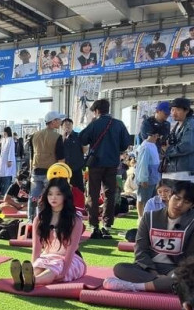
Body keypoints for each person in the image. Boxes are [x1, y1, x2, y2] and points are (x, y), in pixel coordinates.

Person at [104, 181, 194, 293]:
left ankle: (134, 286)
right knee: (120, 268)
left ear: (191, 205)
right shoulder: (149, 217)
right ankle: (165, 285)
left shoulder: (191, 222)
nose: (179, 204)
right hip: (147, 267)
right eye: (177, 198)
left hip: (175, 268)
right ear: (169, 196)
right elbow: (140, 249)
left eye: (186, 202)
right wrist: (154, 273)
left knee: (186, 278)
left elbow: (190, 257)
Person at [16, 179, 86, 291]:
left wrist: (64, 272)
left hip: (71, 260)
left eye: (58, 194)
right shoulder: (39, 219)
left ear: (65, 196)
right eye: (50, 194)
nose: (53, 197)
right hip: (48, 256)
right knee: (39, 266)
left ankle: (32, 281)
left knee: (54, 268)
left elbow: (71, 249)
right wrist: (34, 264)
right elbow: (36, 247)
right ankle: (25, 279)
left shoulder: (75, 220)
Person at [79, 99, 131, 239]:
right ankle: (107, 226)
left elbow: (82, 139)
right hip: (112, 164)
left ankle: (94, 225)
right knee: (110, 194)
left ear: (96, 111)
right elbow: (125, 144)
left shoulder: (94, 124)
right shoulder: (118, 124)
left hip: (95, 164)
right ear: (108, 109)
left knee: (93, 194)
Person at [27, 111, 66, 221]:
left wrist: (31, 172)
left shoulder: (34, 135)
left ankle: (31, 220)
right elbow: (61, 158)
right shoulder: (57, 137)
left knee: (33, 197)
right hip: (51, 172)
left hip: (35, 171)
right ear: (53, 122)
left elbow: (31, 156)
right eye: (59, 120)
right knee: (51, 198)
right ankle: (49, 220)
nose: (60, 122)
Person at [163, 97, 194, 181]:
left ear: (186, 111)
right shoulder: (178, 125)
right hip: (177, 170)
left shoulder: (191, 124)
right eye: (172, 110)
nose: (174, 113)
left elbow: (187, 146)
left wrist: (168, 150)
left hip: (186, 172)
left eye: (178, 110)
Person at [135, 124, 161, 218]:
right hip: (147, 178)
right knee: (142, 199)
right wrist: (143, 179)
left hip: (154, 177)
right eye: (157, 136)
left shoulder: (152, 145)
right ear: (154, 135)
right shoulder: (145, 147)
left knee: (151, 199)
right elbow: (142, 164)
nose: (157, 138)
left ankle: (149, 217)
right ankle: (141, 218)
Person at [60, 118, 85, 192]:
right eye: (65, 125)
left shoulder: (78, 136)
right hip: (65, 168)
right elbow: (59, 151)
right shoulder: (60, 138)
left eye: (69, 124)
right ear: (62, 127)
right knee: (65, 189)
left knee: (79, 188)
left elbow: (84, 150)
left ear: (72, 125)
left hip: (76, 167)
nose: (67, 126)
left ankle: (79, 202)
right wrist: (63, 138)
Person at [0, 127, 16, 192]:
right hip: (3, 161)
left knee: (7, 176)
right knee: (3, 177)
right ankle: (3, 192)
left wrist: (10, 160)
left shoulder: (11, 139)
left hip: (8, 161)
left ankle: (6, 192)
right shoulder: (3, 139)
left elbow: (11, 151)